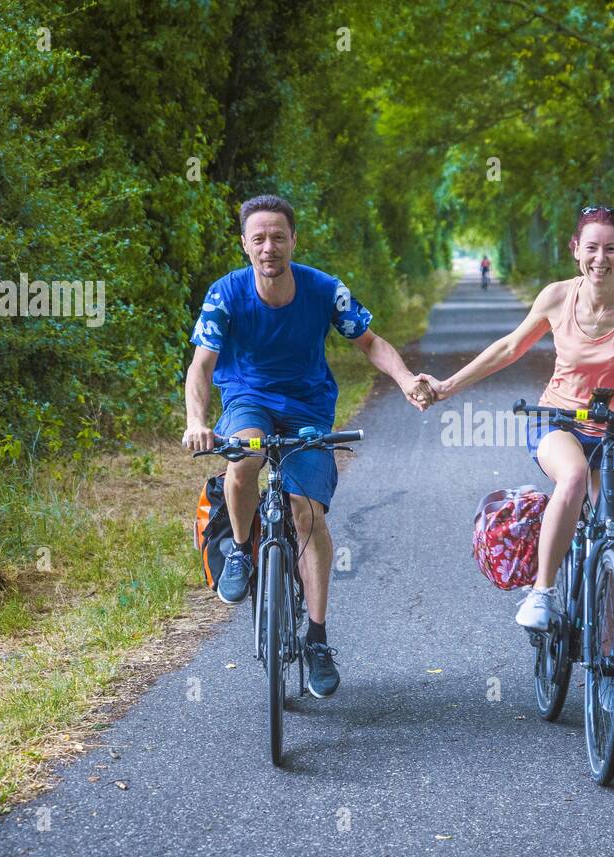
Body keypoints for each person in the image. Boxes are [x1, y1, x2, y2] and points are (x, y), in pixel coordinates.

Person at [182, 194, 435, 697]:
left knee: (306, 515)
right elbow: (202, 364)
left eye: (278, 236)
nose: (269, 246)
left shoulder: (324, 290)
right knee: (246, 454)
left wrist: (405, 379)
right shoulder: (226, 294)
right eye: (259, 238)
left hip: (307, 409)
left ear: (293, 240)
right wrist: (196, 419)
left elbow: (371, 342)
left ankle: (316, 638)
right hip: (248, 399)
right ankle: (239, 550)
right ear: (245, 246)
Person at [417, 206, 614, 630]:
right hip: (559, 420)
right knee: (573, 477)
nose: (600, 258)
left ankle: (608, 651)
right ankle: (542, 593)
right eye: (591, 247)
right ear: (576, 250)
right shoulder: (556, 297)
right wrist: (447, 386)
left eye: (611, 248)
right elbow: (509, 349)